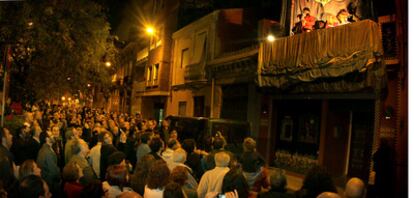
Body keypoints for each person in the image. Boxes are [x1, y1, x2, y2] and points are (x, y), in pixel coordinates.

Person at [37, 131, 61, 197]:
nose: (53, 136)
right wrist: (59, 177)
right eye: (51, 135)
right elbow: (53, 172)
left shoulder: (45, 148)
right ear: (47, 139)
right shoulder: (48, 153)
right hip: (51, 184)